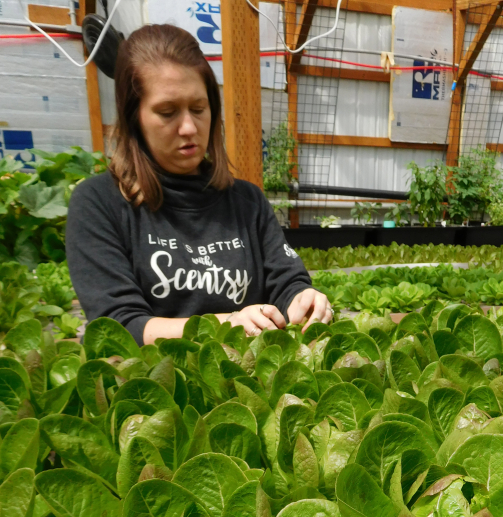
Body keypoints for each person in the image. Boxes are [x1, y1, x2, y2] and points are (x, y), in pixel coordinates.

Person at [66, 24, 332, 344]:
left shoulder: (247, 201)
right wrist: (224, 324)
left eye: (198, 108)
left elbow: (286, 282)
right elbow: (118, 325)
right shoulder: (98, 203)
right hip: (153, 387)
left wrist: (303, 297)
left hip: (248, 386)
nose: (189, 127)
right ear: (133, 116)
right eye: (167, 112)